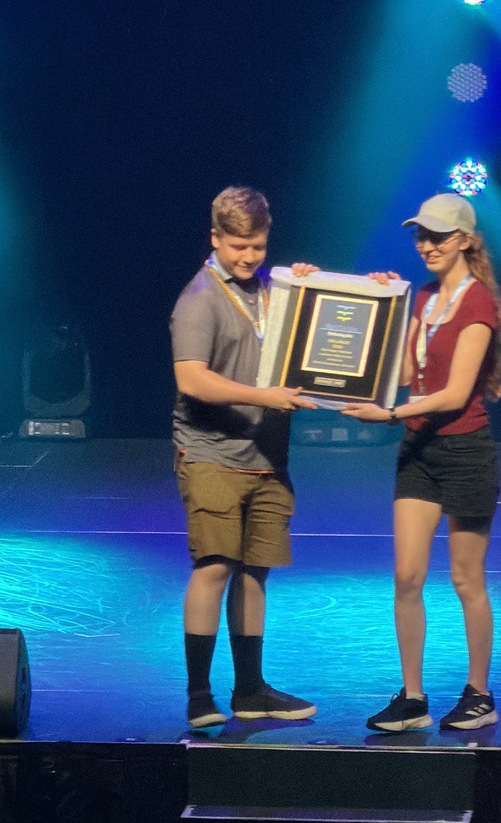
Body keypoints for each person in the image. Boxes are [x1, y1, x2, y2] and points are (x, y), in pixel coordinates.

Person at [342, 192, 501, 733]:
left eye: (437, 236)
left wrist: (389, 413)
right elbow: (402, 370)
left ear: (464, 239)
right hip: (418, 451)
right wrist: (378, 299)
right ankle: (413, 699)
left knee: (466, 579)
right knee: (407, 575)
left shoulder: (478, 302)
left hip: (464, 451)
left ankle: (479, 694)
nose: (427, 245)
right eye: (420, 235)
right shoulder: (423, 297)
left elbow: (454, 392)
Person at [170, 186, 319, 728]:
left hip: (267, 458)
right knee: (215, 566)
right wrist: (265, 398)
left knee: (256, 572)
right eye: (238, 246)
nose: (249, 256)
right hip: (212, 454)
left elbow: (318, 327)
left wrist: (322, 288)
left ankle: (250, 689)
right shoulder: (200, 299)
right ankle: (198, 695)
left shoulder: (268, 292)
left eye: (257, 245)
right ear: (215, 238)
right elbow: (191, 379)